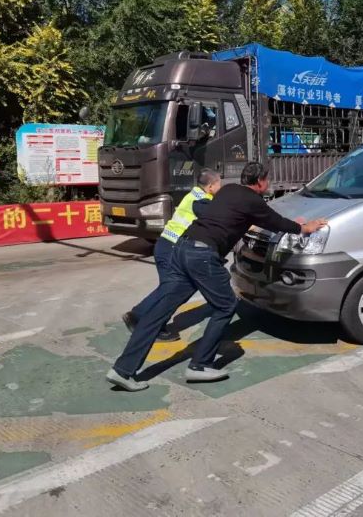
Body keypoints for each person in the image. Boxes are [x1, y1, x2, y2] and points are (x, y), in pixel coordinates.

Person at [106, 161, 328, 391]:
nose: (268, 183)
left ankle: (122, 370)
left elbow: (221, 214)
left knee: (158, 312)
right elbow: (275, 222)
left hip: (182, 248)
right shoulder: (253, 201)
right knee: (226, 305)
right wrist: (304, 227)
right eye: (267, 180)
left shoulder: (228, 191)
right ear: (260, 182)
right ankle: (200, 365)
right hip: (203, 255)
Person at [121, 168, 222, 341]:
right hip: (171, 248)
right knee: (171, 289)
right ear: (211, 186)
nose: (221, 186)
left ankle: (147, 319)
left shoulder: (195, 195)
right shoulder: (201, 201)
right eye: (220, 183)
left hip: (167, 245)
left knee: (171, 289)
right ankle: (140, 317)